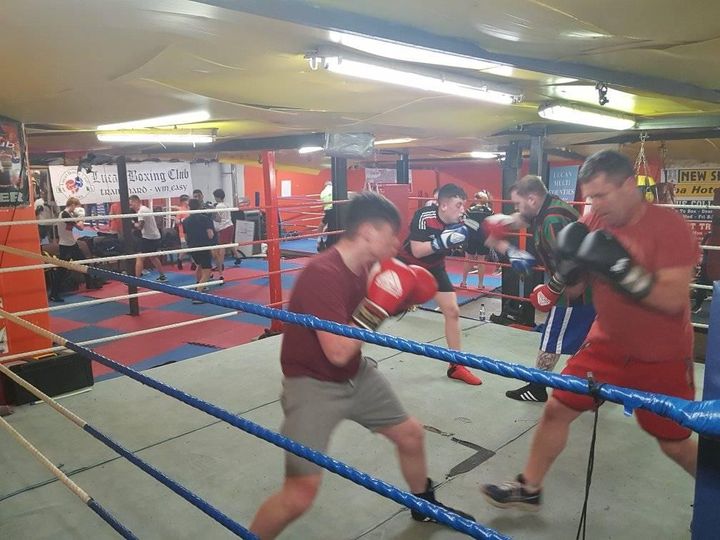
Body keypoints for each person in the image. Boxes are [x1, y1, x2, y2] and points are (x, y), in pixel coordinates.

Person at [481, 149, 699, 510]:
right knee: (557, 408)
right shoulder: (597, 220)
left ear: (629, 185)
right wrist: (565, 272)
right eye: (590, 197)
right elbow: (578, 291)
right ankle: (530, 486)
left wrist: (623, 271)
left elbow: (674, 299)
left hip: (661, 354)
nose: (594, 205)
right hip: (606, 344)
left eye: (601, 195)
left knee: (673, 443)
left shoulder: (669, 226)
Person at [249, 192, 475, 539]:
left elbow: (353, 341)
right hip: (312, 386)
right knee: (299, 495)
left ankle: (424, 505)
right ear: (370, 232)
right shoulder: (321, 273)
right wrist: (380, 303)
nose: (397, 243)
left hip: (356, 373)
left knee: (411, 434)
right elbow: (337, 350)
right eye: (391, 235)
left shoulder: (369, 269)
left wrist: (399, 299)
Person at [484, 175, 595, 403]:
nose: (516, 208)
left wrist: (551, 290)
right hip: (586, 288)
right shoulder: (550, 206)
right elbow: (524, 218)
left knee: (551, 338)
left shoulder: (551, 222)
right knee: (587, 342)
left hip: (577, 290)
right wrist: (504, 222)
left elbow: (571, 264)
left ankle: (537, 387)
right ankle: (595, 387)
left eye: (518, 203)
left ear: (532, 199)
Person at [398, 183, 483, 386]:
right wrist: (443, 241)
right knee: (382, 308)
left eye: (464, 205)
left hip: (435, 267)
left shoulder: (464, 221)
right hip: (407, 266)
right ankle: (350, 348)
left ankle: (456, 365)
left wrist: (511, 249)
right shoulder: (424, 216)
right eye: (459, 204)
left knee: (452, 311)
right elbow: (418, 250)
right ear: (443, 205)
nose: (463, 209)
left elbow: (485, 236)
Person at [52, 197, 100, 301]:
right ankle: (54, 294)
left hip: (71, 244)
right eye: (76, 207)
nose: (76, 209)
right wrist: (82, 217)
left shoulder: (65, 214)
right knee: (62, 270)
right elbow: (80, 227)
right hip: (66, 246)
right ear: (72, 204)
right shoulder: (65, 215)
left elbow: (70, 228)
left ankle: (90, 283)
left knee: (84, 263)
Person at [182, 198, 216, 304]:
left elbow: (186, 237)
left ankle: (200, 284)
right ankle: (197, 295)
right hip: (203, 246)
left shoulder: (185, 221)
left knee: (199, 266)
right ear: (199, 206)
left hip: (193, 247)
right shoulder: (205, 219)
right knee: (207, 270)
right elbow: (210, 235)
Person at [129, 195, 166, 282]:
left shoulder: (141, 211)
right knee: (153, 257)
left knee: (139, 257)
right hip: (154, 236)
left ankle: (135, 282)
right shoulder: (145, 209)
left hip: (149, 238)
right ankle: (162, 276)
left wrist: (132, 223)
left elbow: (140, 227)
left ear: (137, 201)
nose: (131, 206)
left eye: (132, 204)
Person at [460, 191, 494, 289]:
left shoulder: (470, 210)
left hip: (471, 236)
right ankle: (480, 284)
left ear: (477, 199)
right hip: (483, 237)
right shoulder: (489, 211)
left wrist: (474, 227)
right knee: (481, 261)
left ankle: (463, 282)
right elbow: (491, 224)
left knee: (468, 259)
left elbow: (463, 221)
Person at [211, 188, 234, 279]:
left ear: (217, 197)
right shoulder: (227, 204)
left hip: (224, 227)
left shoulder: (218, 206)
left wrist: (212, 212)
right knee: (227, 245)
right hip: (230, 225)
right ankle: (236, 257)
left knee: (222, 247)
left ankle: (220, 265)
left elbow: (218, 219)